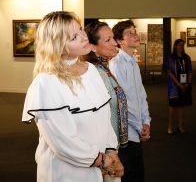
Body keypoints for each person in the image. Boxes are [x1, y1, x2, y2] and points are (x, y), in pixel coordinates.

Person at [22, 11, 123, 182]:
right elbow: (63, 142)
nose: (84, 37)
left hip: (98, 167)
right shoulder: (47, 82)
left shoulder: (91, 71)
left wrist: (112, 152)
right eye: (74, 37)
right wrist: (104, 161)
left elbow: (105, 119)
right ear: (57, 46)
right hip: (66, 173)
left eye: (81, 30)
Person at [84, 21, 129, 182]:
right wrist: (108, 155)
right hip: (102, 151)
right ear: (93, 47)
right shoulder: (94, 73)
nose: (115, 43)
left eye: (113, 39)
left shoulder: (102, 68)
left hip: (109, 147)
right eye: (108, 40)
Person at [109, 20, 151, 182]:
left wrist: (146, 121)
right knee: (130, 175)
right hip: (126, 134)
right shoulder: (117, 65)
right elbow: (123, 103)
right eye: (129, 33)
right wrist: (140, 126)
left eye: (135, 31)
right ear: (119, 41)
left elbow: (141, 96)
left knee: (138, 173)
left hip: (136, 129)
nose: (135, 35)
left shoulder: (133, 62)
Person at [166, 39, 192, 134]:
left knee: (182, 105)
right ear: (175, 46)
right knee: (173, 106)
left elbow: (190, 71)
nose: (181, 46)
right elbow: (169, 73)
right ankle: (170, 126)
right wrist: (178, 84)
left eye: (183, 45)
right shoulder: (171, 58)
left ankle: (180, 126)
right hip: (174, 85)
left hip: (185, 85)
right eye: (179, 45)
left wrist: (187, 83)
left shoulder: (187, 58)